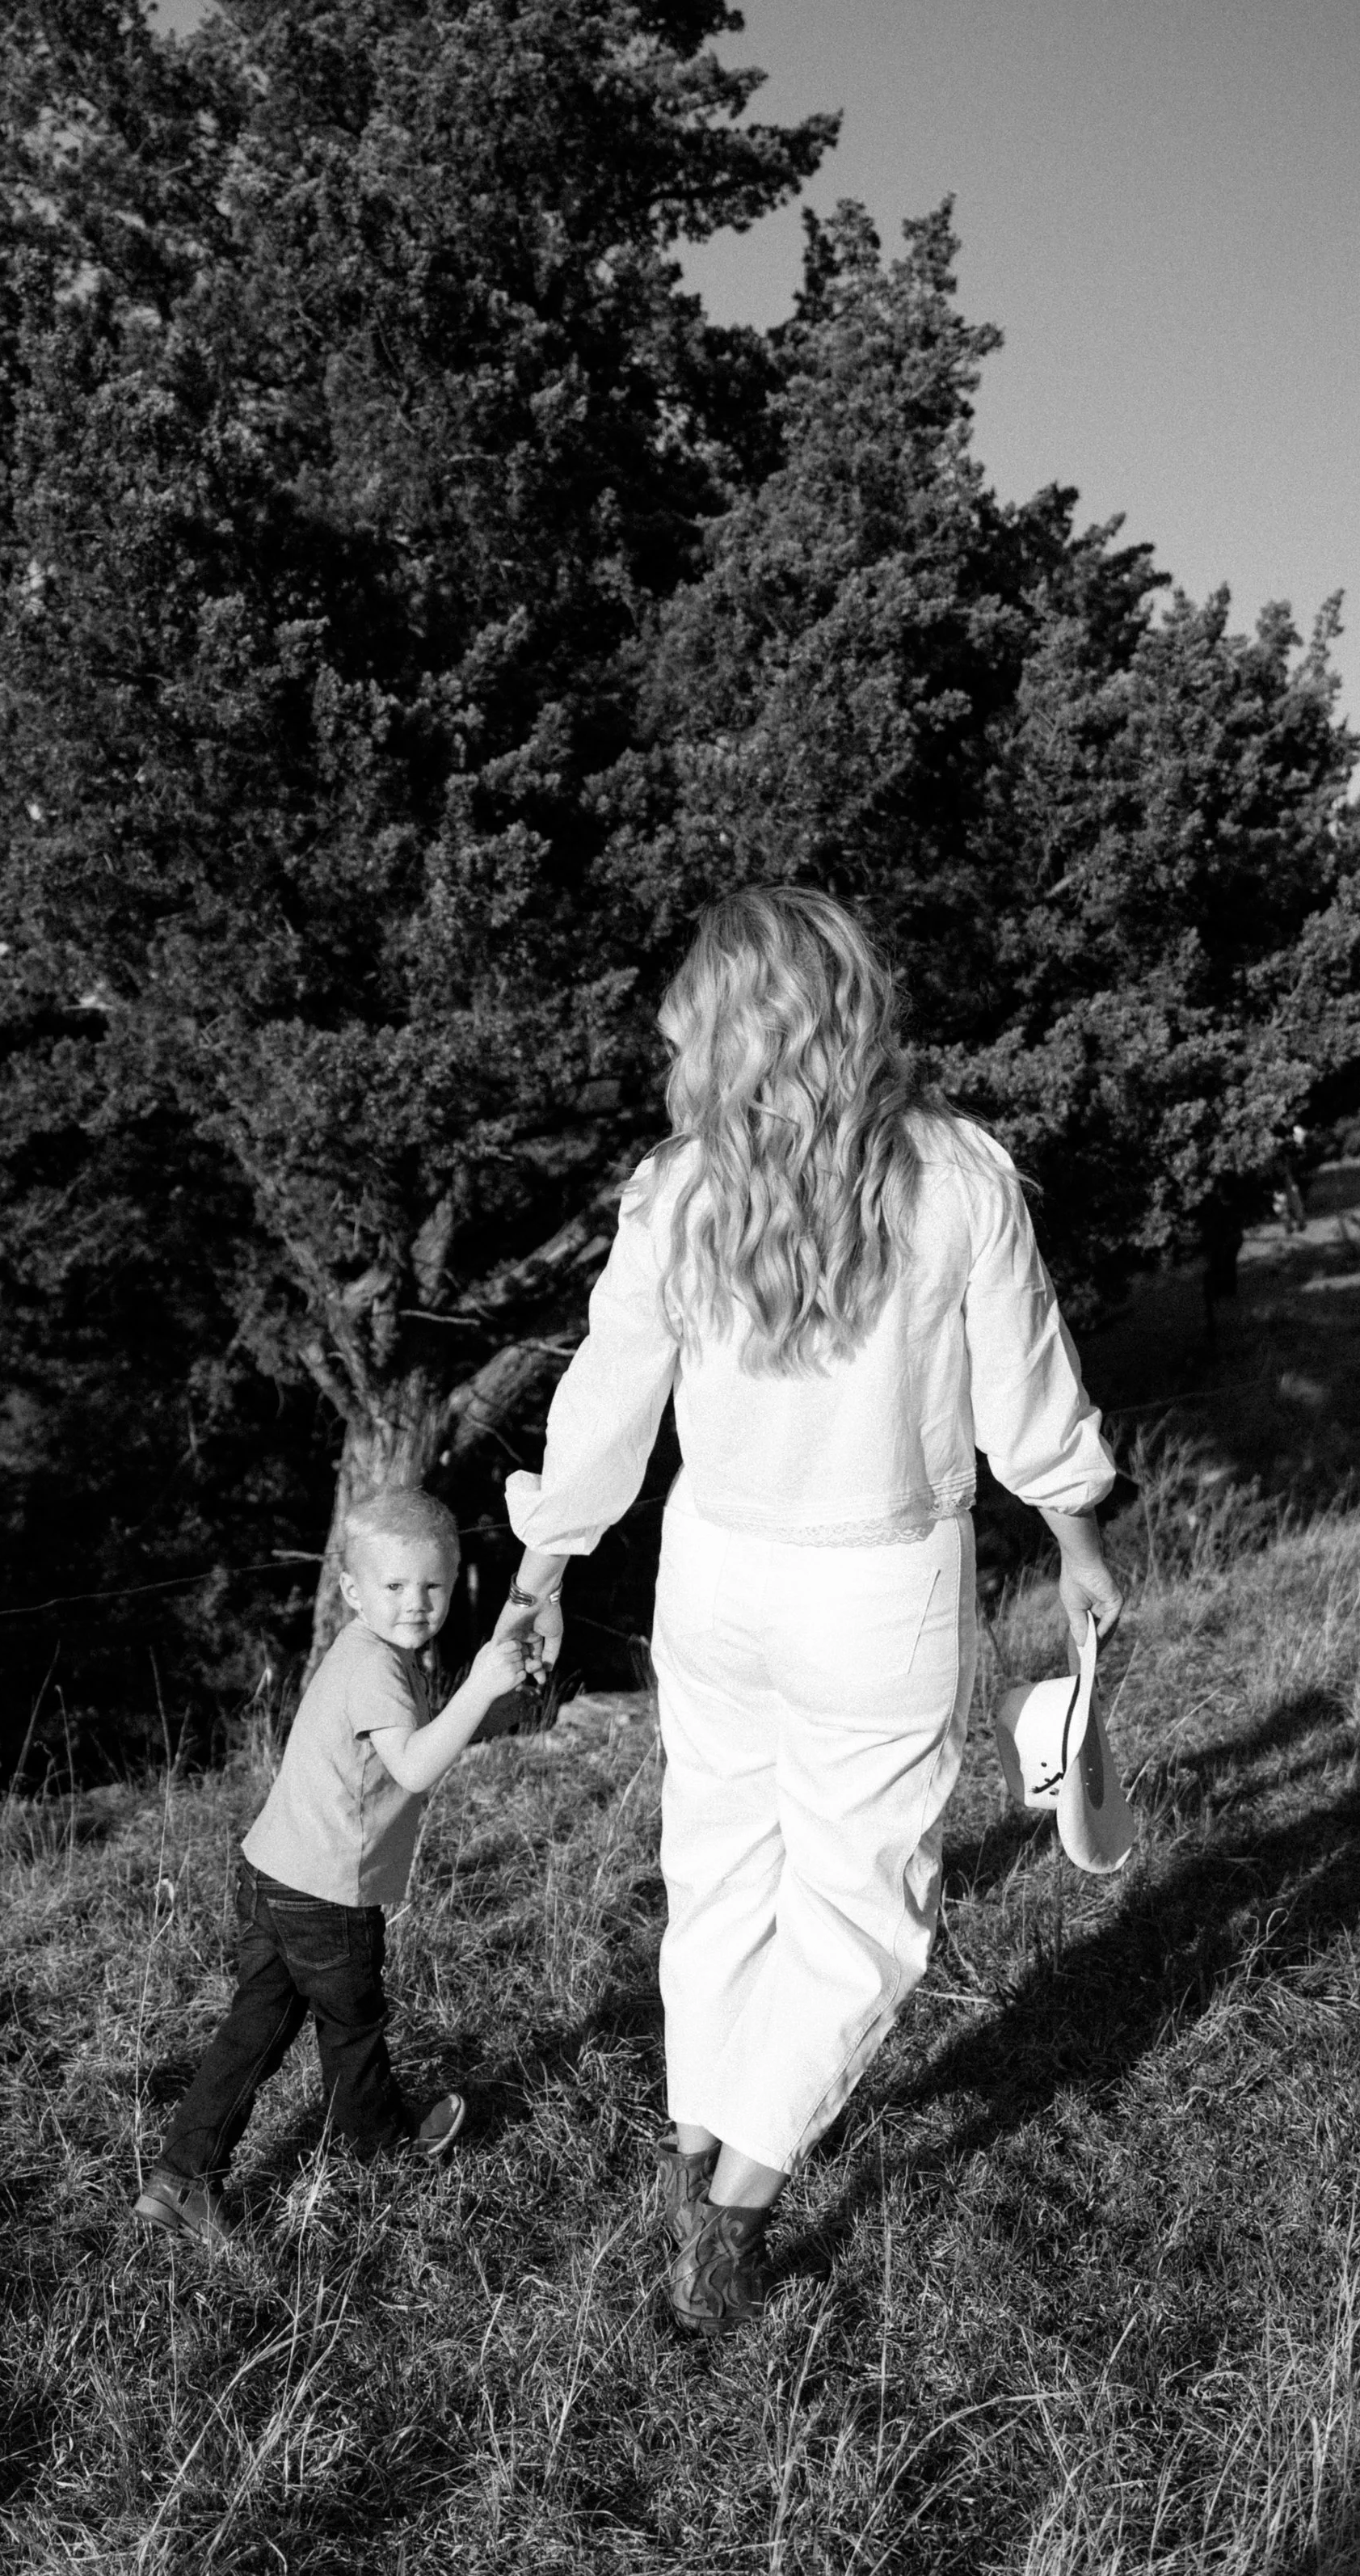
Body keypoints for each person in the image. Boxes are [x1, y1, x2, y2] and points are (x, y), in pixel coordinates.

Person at [503, 887, 1123, 2335]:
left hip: (711, 1580)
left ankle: (695, 2146)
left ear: (720, 1033)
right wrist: (1077, 1538)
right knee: (860, 1910)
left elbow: (603, 1405)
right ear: (856, 1006)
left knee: (718, 1868)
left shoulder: (679, 1188)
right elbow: (1029, 1397)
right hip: (877, 1589)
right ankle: (734, 2206)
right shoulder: (957, 1176)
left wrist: (541, 1566)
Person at [133, 1487, 530, 2245]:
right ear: (351, 1590)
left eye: (433, 1586)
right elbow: (414, 1768)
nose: (416, 1604)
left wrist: (499, 1704)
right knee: (352, 2027)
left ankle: (180, 2178)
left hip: (280, 1872)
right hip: (324, 1891)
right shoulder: (376, 1666)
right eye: (394, 1587)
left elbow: (420, 1743)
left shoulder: (376, 1651)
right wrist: (480, 1683)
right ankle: (383, 2150)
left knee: (258, 2025)